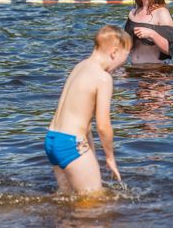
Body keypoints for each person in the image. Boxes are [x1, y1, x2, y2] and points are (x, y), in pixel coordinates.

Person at [45, 25, 131, 194]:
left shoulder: (80, 66)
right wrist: (110, 158)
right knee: (94, 201)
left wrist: (90, 151)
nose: (124, 63)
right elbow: (103, 126)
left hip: (52, 139)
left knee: (66, 198)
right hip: (70, 144)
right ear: (114, 52)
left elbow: (84, 119)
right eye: (125, 56)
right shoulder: (103, 78)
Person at [124, 0, 173, 64]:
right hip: (133, 69)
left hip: (155, 70)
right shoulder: (133, 13)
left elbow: (170, 49)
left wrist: (152, 34)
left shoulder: (162, 13)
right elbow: (125, 47)